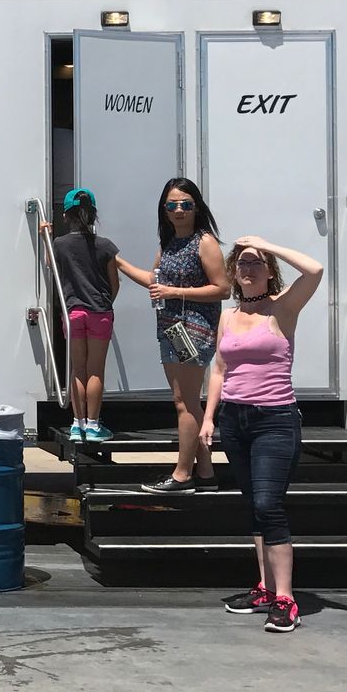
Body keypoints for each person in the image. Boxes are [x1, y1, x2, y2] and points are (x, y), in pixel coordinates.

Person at [199, 236, 324, 634]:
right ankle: (265, 588)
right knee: (254, 505)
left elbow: (315, 270)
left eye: (256, 263)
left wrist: (265, 243)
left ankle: (286, 599)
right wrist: (208, 418)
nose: (248, 269)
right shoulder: (229, 316)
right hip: (235, 420)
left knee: (270, 504)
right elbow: (219, 368)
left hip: (275, 420)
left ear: (270, 271)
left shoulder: (283, 308)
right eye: (242, 263)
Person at [140, 177, 229, 494]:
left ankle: (182, 475)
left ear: (197, 207)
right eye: (172, 205)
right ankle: (205, 472)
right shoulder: (167, 243)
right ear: (164, 210)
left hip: (194, 330)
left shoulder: (204, 241)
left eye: (186, 204)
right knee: (187, 401)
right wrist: (116, 261)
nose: (179, 210)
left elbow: (223, 288)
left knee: (185, 404)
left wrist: (175, 291)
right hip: (170, 329)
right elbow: (153, 279)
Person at [46, 188, 153, 443]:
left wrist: (46, 234)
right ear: (93, 215)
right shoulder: (105, 246)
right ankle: (93, 425)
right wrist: (105, 304)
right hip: (99, 312)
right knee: (95, 371)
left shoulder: (59, 245)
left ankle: (76, 424)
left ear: (65, 216)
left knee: (76, 370)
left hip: (73, 313)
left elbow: (50, 264)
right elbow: (114, 284)